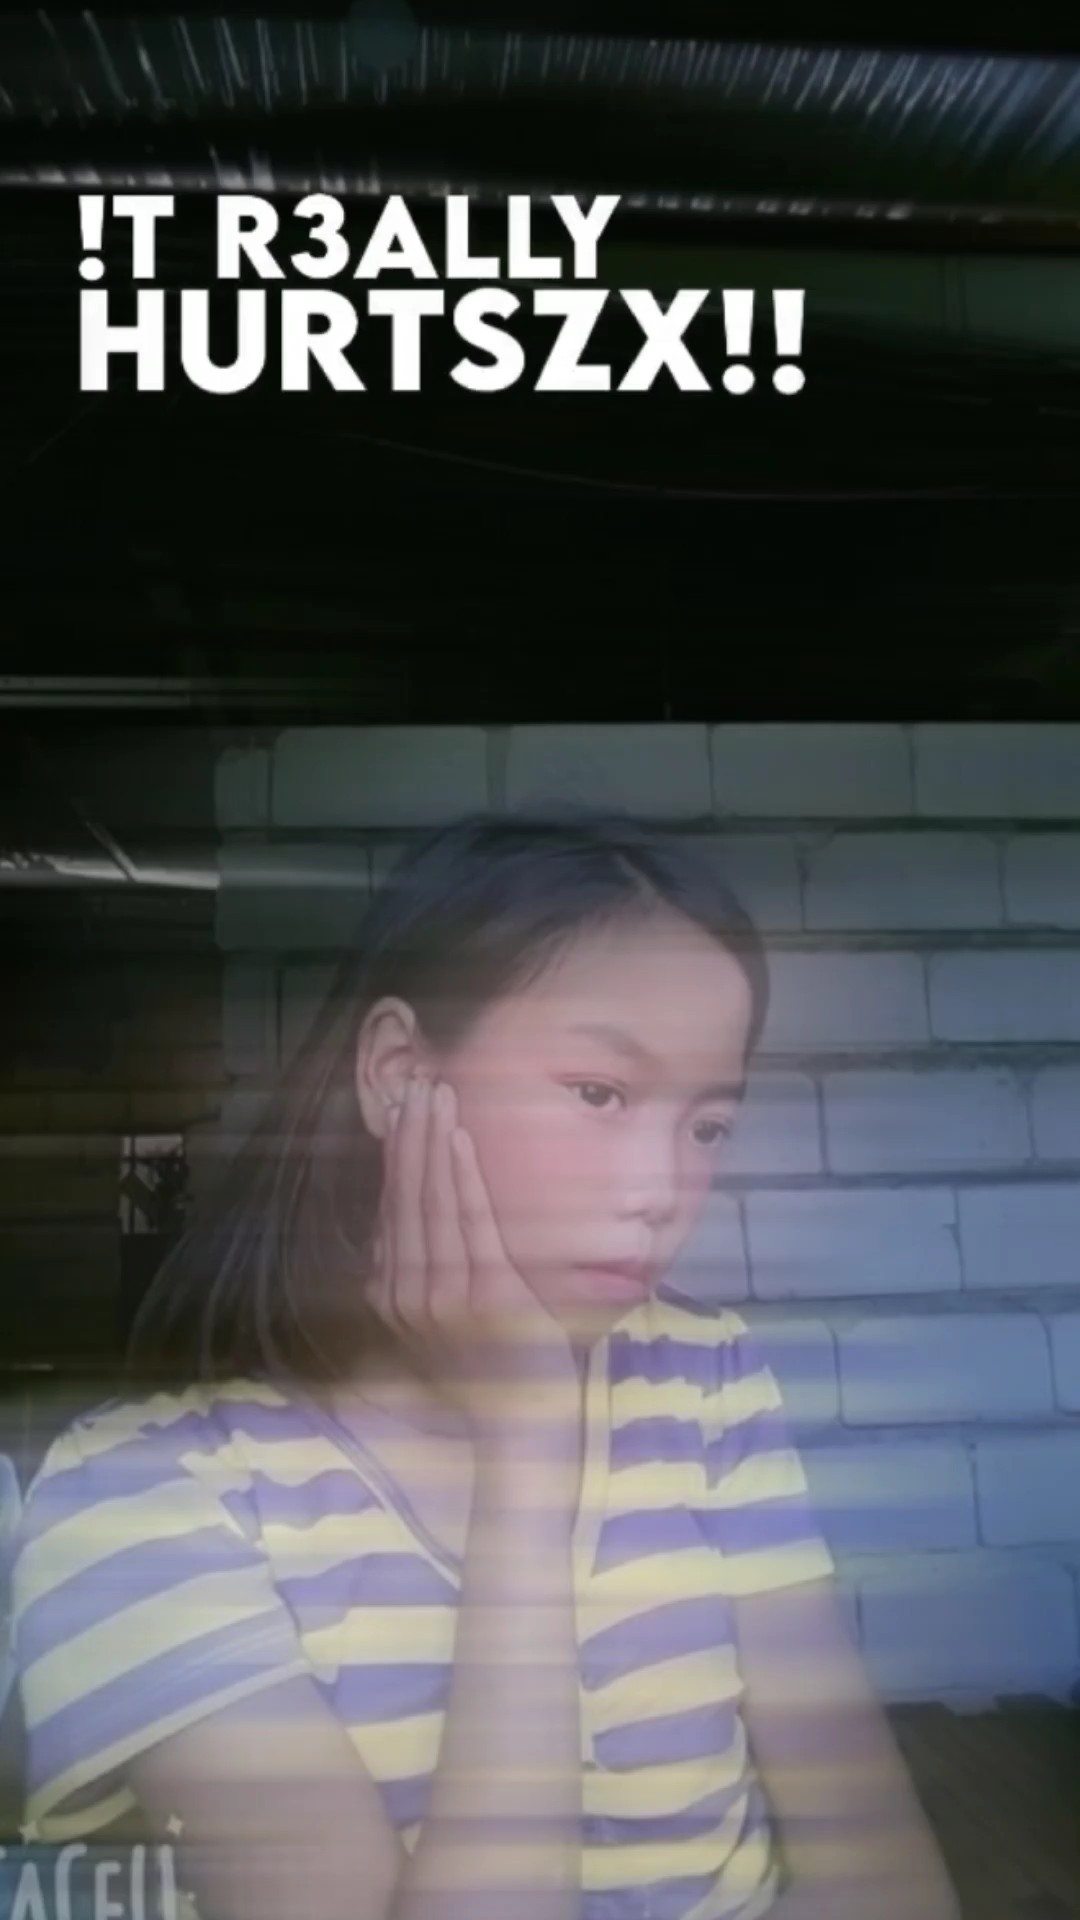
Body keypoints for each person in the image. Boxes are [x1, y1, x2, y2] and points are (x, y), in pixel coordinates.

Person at [10, 808, 960, 1920]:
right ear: (398, 1075)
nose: (660, 1189)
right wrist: (524, 1446)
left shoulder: (706, 1379)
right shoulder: (139, 1500)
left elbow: (885, 1878)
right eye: (599, 1094)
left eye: (707, 1125)